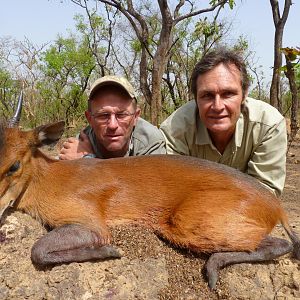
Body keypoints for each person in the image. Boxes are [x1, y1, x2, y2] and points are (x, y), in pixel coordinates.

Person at [160, 47, 287, 197]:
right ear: (195, 98)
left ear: (244, 94)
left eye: (228, 94)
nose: (217, 106)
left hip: (244, 215)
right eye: (207, 95)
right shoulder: (174, 130)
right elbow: (173, 191)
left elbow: (265, 195)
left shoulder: (269, 124)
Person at [59, 75, 166, 159]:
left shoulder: (151, 141)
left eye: (122, 115)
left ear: (136, 117)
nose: (112, 125)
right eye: (103, 115)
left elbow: (144, 186)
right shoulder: (79, 146)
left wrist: (87, 160)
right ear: (90, 119)